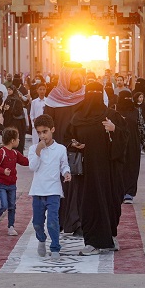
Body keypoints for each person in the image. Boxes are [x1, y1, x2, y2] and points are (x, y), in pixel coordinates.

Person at [70, 82, 125, 254]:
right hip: (86, 172)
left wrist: (114, 129)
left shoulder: (111, 116)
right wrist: (74, 144)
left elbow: (126, 139)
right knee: (88, 204)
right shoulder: (78, 117)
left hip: (108, 171)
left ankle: (110, 237)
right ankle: (92, 242)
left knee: (110, 202)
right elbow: (67, 137)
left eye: (96, 92)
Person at [44, 62, 86, 236]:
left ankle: (75, 223)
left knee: (76, 188)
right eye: (73, 80)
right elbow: (45, 125)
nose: (77, 84)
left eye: (78, 80)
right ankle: (59, 222)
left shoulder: (84, 96)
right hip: (57, 150)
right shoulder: (53, 98)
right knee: (59, 188)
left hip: (78, 150)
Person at [28, 114, 71, 259]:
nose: (42, 135)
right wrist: (38, 151)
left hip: (53, 190)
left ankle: (55, 248)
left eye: (45, 131)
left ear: (52, 129)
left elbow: (63, 165)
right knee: (37, 223)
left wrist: (66, 173)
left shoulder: (60, 149)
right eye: (39, 133)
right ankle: (41, 240)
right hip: (38, 191)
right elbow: (32, 167)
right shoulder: (33, 148)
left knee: (53, 221)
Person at [0, 126, 29, 236]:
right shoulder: (1, 153)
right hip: (1, 184)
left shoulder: (15, 153)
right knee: (4, 205)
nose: (19, 140)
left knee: (12, 206)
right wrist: (3, 171)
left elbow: (25, 161)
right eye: (18, 138)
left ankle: (11, 226)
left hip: (12, 185)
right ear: (12, 140)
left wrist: (37, 158)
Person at [116, 89, 141, 204]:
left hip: (131, 143)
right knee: (121, 167)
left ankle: (129, 192)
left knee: (131, 166)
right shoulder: (114, 111)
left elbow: (140, 127)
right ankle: (121, 191)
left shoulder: (135, 111)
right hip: (121, 143)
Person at [2, 83, 27, 152]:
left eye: (10, 89)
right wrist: (5, 109)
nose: (9, 91)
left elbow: (18, 112)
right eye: (8, 89)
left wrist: (10, 109)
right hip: (8, 122)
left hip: (17, 124)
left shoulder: (17, 100)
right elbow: (3, 111)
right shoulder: (7, 99)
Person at [133, 90, 145, 155]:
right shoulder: (134, 106)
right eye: (140, 97)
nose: (141, 99)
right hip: (136, 124)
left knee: (144, 136)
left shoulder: (144, 106)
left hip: (143, 124)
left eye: (142, 97)